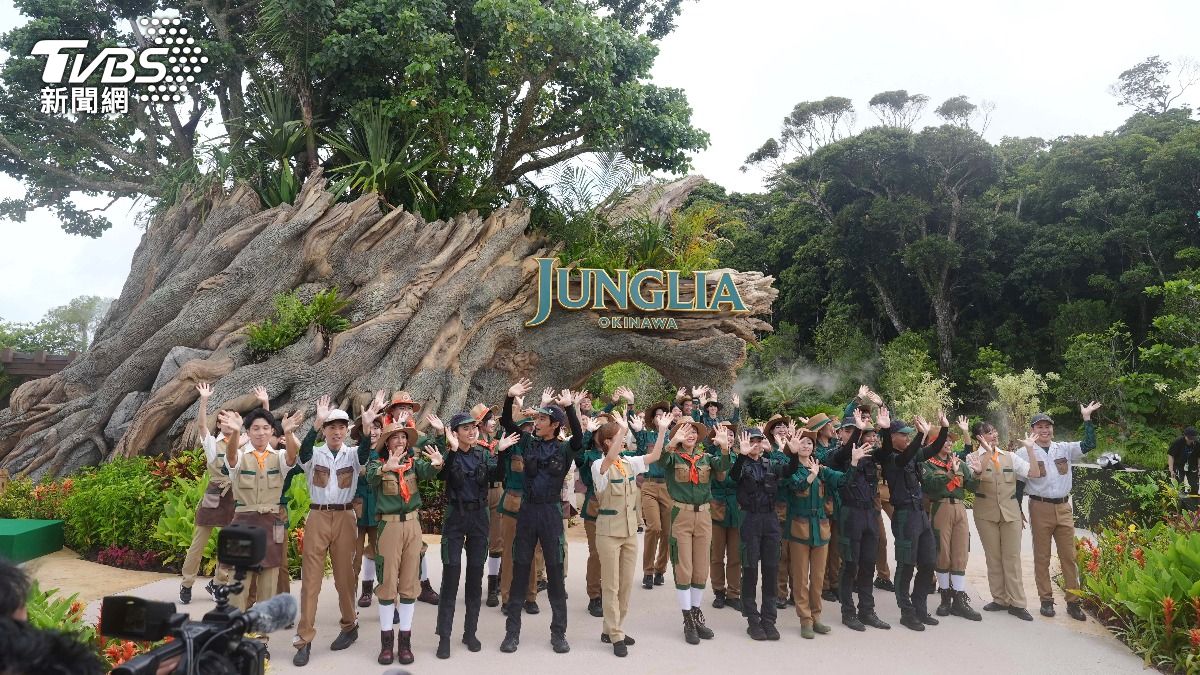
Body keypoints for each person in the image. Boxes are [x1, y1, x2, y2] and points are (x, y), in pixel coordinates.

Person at [291, 393, 381, 667]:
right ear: (325, 429)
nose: (337, 432)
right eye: (332, 427)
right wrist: (315, 424)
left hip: (344, 518)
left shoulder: (352, 454)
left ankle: (350, 625)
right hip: (318, 516)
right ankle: (304, 639)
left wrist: (367, 428)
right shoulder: (315, 452)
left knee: (345, 578)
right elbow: (303, 454)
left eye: (342, 427)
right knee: (311, 581)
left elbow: (364, 455)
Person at [496, 380, 584, 655]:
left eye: (543, 419)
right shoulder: (528, 443)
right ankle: (512, 633)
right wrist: (509, 397)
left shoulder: (564, 449)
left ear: (555, 425)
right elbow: (507, 424)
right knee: (520, 570)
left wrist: (569, 408)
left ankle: (559, 633)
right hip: (527, 511)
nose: (537, 422)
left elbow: (579, 438)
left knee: (555, 574)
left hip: (550, 512)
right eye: (538, 418)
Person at [432, 411, 518, 659]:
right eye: (465, 428)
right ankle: (444, 636)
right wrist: (451, 449)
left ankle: (470, 633)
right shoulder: (448, 453)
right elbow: (443, 474)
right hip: (455, 518)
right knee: (451, 576)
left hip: (479, 518)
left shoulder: (483, 453)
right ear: (455, 433)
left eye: (474, 428)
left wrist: (501, 452)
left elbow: (497, 475)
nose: (471, 432)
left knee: (475, 576)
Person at [1015, 403, 1100, 621]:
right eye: (1040, 427)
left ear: (1052, 429)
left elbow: (1089, 444)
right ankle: (1046, 600)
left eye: (1048, 427)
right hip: (1039, 507)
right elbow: (1019, 484)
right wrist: (1018, 509)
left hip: (1063, 507)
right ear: (1033, 430)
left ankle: (1073, 602)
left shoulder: (1064, 449)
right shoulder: (1023, 452)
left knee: (1069, 556)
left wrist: (1087, 418)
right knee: (1041, 556)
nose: (1044, 430)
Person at [369, 420, 444, 665]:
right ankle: (386, 643)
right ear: (387, 443)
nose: (400, 441)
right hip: (389, 526)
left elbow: (429, 470)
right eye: (395, 437)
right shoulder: (377, 464)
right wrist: (385, 468)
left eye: (403, 437)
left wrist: (437, 463)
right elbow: (369, 478)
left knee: (410, 582)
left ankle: (405, 642)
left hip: (412, 525)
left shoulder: (413, 464)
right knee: (388, 582)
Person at [592, 412, 667, 656]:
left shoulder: (629, 463)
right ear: (607, 442)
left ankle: (613, 628)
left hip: (628, 532)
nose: (623, 440)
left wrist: (663, 431)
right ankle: (616, 634)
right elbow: (609, 459)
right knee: (611, 585)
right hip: (608, 533)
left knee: (625, 585)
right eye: (618, 437)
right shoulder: (598, 465)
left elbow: (655, 456)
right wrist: (623, 430)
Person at [217, 406, 301, 614]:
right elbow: (230, 457)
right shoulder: (240, 456)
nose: (261, 433)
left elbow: (292, 457)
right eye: (255, 428)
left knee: (269, 581)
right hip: (243, 523)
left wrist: (289, 432)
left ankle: (262, 630)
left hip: (271, 523)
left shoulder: (279, 457)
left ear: (272, 431)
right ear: (248, 432)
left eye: (265, 428)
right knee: (239, 581)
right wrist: (234, 432)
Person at [785, 430, 868, 638]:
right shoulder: (792, 468)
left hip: (820, 528)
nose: (806, 446)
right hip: (799, 527)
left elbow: (843, 481)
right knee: (801, 578)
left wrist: (854, 463)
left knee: (818, 578)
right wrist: (811, 476)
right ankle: (805, 620)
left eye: (809, 443)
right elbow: (795, 486)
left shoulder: (821, 468)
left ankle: (816, 617)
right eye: (802, 443)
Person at [660, 416, 732, 644]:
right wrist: (672, 443)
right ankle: (687, 619)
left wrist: (724, 447)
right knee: (684, 568)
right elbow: (661, 461)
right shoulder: (673, 456)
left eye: (693, 431)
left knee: (701, 568)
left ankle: (696, 613)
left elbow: (723, 467)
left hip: (704, 516)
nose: (690, 434)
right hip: (681, 515)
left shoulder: (706, 458)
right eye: (684, 431)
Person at [964, 420, 1041, 621]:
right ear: (979, 437)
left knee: (1012, 558)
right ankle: (999, 599)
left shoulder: (1010, 457)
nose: (995, 435)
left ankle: (1017, 603)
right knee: (993, 557)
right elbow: (973, 479)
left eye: (994, 431)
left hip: (1010, 513)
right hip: (985, 514)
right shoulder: (972, 457)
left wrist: (1030, 450)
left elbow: (1034, 473)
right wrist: (988, 454)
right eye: (989, 432)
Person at [179, 381, 247, 604]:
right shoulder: (211, 443)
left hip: (233, 495)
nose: (227, 422)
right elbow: (201, 426)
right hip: (214, 493)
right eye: (223, 419)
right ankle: (187, 582)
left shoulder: (242, 442)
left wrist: (265, 404)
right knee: (199, 541)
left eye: (231, 418)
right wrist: (204, 400)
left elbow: (263, 434)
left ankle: (219, 583)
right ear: (218, 423)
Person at [877, 407, 945, 632]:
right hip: (905, 515)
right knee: (906, 564)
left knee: (928, 562)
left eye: (909, 434)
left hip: (920, 513)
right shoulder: (890, 458)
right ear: (892, 437)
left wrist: (944, 428)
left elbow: (933, 449)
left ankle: (920, 607)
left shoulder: (911, 453)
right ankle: (906, 612)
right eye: (903, 434)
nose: (907, 437)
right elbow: (906, 456)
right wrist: (920, 435)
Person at [730, 427, 799, 641]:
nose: (755, 444)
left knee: (771, 570)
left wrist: (794, 453)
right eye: (751, 441)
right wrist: (741, 456)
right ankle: (753, 620)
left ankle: (769, 620)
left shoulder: (770, 464)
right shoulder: (741, 464)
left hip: (770, 519)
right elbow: (733, 477)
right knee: (750, 570)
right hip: (750, 519)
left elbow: (789, 471)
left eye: (758, 441)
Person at [922, 414, 981, 622]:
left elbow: (972, 487)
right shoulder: (928, 464)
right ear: (933, 442)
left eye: (950, 440)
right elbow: (930, 486)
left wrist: (978, 474)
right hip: (941, 507)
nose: (948, 443)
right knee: (943, 552)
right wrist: (950, 474)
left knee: (960, 553)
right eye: (944, 440)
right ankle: (945, 597)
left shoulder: (958, 462)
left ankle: (959, 599)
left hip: (960, 509)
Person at [636, 400, 673, 590]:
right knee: (654, 527)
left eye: (663, 415)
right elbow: (635, 431)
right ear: (653, 419)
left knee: (667, 532)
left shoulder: (673, 437)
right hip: (649, 485)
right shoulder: (647, 436)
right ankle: (648, 571)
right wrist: (631, 405)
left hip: (668, 487)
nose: (660, 418)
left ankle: (660, 570)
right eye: (657, 415)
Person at [708, 421, 743, 613]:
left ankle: (733, 593)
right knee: (716, 555)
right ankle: (719, 591)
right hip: (717, 508)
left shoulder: (740, 456)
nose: (728, 437)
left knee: (735, 555)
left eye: (730, 434)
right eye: (724, 433)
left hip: (736, 509)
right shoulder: (711, 457)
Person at [351, 413, 385, 608]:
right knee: (354, 558)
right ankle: (351, 603)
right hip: (356, 511)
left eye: (377, 427)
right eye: (369, 427)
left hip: (378, 510)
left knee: (381, 555)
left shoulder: (386, 453)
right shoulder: (354, 453)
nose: (373, 431)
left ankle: (385, 598)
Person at [1168, 427, 1199, 495]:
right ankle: (1179, 497)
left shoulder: (1197, 443)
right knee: (1179, 484)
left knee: (1194, 485)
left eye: (1192, 438)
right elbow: (1171, 455)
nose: (1191, 440)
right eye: (1189, 438)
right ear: (1185, 436)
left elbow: (1199, 457)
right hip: (1178, 464)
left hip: (1192, 465)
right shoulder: (1178, 442)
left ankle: (1194, 497)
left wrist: (1199, 469)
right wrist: (1171, 469)